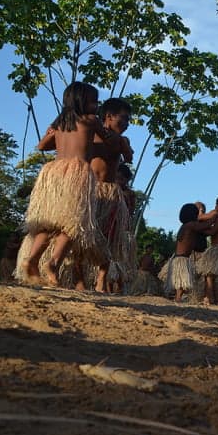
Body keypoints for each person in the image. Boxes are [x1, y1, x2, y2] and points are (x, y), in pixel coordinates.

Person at [17, 81, 120, 287]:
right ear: (83, 101)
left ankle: (32, 259)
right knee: (73, 225)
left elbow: (42, 146)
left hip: (54, 173)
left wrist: (51, 133)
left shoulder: (60, 123)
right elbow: (108, 140)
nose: (97, 105)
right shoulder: (91, 120)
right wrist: (120, 142)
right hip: (77, 173)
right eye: (94, 101)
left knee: (49, 223)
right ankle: (53, 263)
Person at [91, 98, 134, 292]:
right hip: (91, 190)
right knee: (81, 233)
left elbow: (129, 156)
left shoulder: (123, 140)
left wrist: (122, 143)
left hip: (110, 192)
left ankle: (101, 278)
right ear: (108, 116)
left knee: (108, 237)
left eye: (128, 120)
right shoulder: (92, 134)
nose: (126, 124)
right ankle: (78, 276)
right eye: (123, 119)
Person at [166, 203, 212, 302]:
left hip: (179, 258)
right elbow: (205, 225)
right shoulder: (191, 225)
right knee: (182, 282)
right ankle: (178, 299)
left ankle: (177, 298)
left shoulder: (185, 226)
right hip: (182, 259)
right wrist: (215, 215)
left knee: (182, 282)